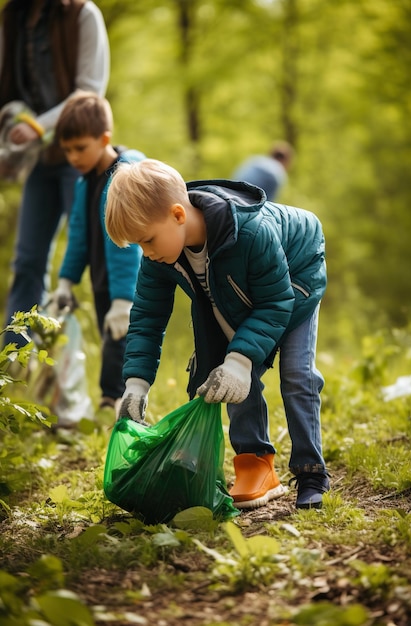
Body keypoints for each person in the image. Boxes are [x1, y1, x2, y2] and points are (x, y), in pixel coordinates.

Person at [104, 158, 330, 510]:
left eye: (147, 240)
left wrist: (241, 361)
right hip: (240, 293)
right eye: (138, 245)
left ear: (179, 215)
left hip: (296, 275)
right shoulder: (158, 258)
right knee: (221, 370)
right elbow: (147, 317)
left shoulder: (250, 232)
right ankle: (255, 464)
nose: (145, 253)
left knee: (296, 373)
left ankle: (311, 472)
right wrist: (135, 384)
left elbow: (275, 302)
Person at [0, 0, 110, 347]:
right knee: (28, 260)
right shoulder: (12, 16)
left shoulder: (82, 14)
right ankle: (14, 364)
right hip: (37, 160)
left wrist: (39, 126)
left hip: (81, 157)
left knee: (99, 257)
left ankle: (115, 371)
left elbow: (90, 90)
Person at [49, 91, 145, 415]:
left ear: (104, 137)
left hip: (131, 283)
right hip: (103, 277)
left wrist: (124, 298)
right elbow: (78, 234)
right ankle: (110, 399)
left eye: (80, 148)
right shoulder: (84, 182)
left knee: (127, 341)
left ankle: (123, 402)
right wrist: (65, 281)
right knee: (110, 337)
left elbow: (127, 244)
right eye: (67, 150)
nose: (74, 157)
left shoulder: (125, 173)